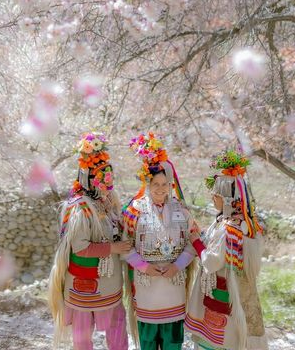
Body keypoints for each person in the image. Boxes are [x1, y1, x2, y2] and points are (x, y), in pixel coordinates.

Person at [48, 132, 130, 349]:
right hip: (84, 287)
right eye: (101, 176)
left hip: (109, 284)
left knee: (118, 331)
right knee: (83, 338)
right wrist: (113, 247)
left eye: (108, 175)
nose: (107, 181)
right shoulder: (80, 208)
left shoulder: (109, 203)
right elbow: (80, 247)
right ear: (88, 178)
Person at [185, 149, 268, 350]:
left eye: (216, 194)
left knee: (216, 342)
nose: (212, 197)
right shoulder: (247, 225)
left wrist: (196, 241)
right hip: (236, 295)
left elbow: (212, 262)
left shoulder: (229, 229)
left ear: (227, 198)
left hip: (220, 295)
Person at [122, 132, 197, 350]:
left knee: (173, 340)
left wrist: (178, 266)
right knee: (148, 340)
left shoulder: (182, 210)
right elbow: (125, 246)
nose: (161, 189)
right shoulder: (134, 211)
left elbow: (193, 241)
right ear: (147, 182)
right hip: (147, 285)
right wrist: (145, 267)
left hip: (174, 283)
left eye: (166, 184)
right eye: (156, 183)